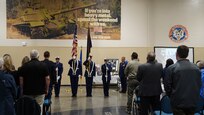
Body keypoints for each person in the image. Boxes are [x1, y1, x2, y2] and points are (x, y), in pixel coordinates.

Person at [164, 45, 201, 115]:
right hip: (192, 102)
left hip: (177, 102)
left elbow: (167, 87)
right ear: (187, 54)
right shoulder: (196, 68)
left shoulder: (171, 68)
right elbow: (199, 84)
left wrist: (172, 97)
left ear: (177, 54)